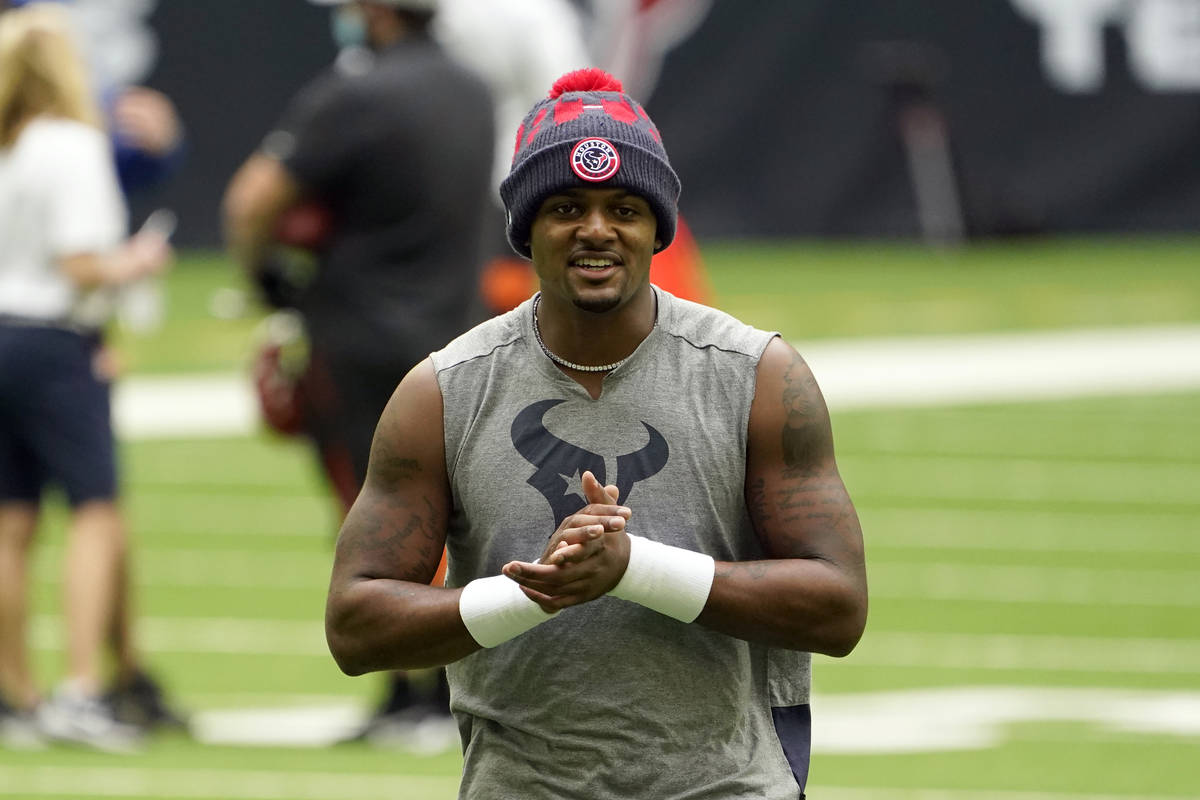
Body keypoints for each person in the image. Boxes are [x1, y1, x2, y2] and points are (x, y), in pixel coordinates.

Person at [325, 67, 868, 798]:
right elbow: (355, 627)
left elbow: (838, 607)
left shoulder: (757, 376)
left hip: (723, 784)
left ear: (656, 227)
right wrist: (530, 596)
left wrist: (634, 569)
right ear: (525, 228)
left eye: (624, 207)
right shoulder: (443, 392)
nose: (597, 229)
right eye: (565, 206)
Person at [222, 0, 494, 748]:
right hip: (458, 333)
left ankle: (412, 692)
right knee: (457, 514)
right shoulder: (474, 88)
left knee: (374, 518)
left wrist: (269, 279)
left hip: (362, 336)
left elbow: (251, 203)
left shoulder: (355, 93)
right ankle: (440, 685)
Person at [0, 3, 172, 750]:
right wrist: (134, 263)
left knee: (10, 523)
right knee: (95, 512)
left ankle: (16, 695)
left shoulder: (7, 144)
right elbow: (79, 261)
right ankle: (80, 687)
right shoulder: (69, 143)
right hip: (52, 341)